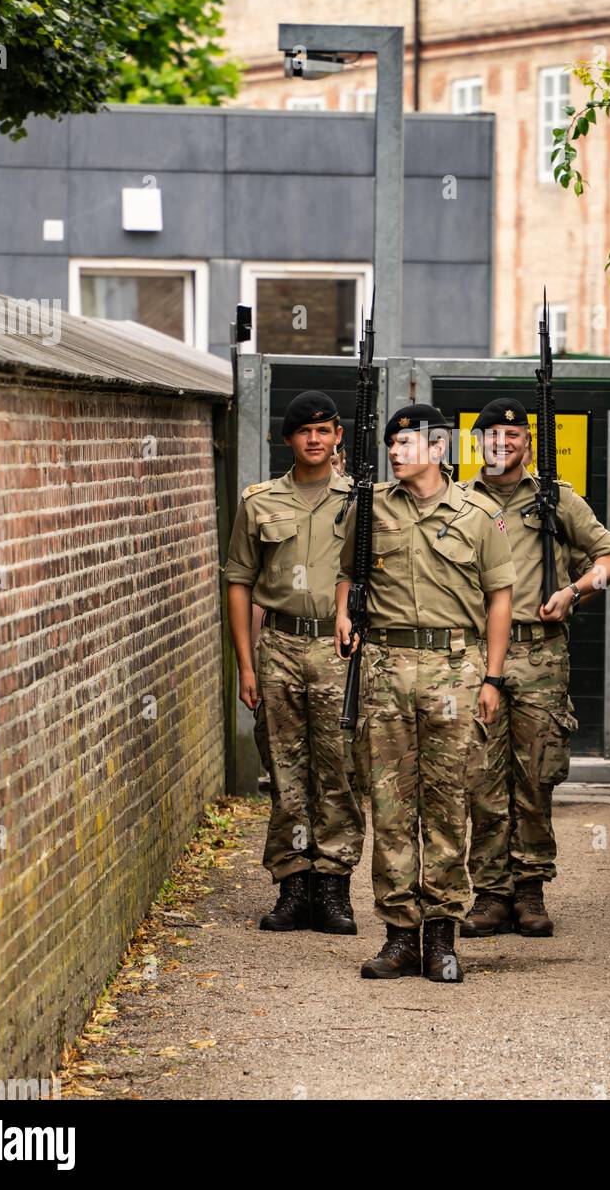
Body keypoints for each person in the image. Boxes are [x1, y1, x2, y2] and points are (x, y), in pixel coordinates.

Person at [335, 404, 515, 983]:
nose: (395, 451)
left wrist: (491, 677)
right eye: (391, 443)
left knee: (446, 803)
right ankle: (398, 937)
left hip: (453, 670)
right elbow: (347, 573)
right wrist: (343, 614)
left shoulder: (478, 514)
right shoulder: (370, 510)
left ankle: (441, 937)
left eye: (406, 443)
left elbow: (500, 598)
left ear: (438, 450)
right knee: (389, 804)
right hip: (386, 667)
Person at [459, 397, 610, 938]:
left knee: (535, 775)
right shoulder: (458, 502)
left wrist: (575, 592)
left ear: (527, 443)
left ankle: (529, 891)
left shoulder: (556, 501)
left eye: (512, 437)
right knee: (481, 776)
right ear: (477, 442)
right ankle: (489, 894)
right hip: (477, 655)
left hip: (540, 655)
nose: (501, 445)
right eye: (492, 436)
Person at [224, 390, 364, 935]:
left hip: (338, 650)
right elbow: (238, 582)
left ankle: (333, 887)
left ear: (337, 439)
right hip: (279, 646)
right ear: (288, 440)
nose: (314, 439)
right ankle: (293, 883)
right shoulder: (260, 502)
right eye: (304, 431)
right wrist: (246, 666)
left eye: (324, 430)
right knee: (283, 768)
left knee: (339, 768)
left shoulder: (362, 500)